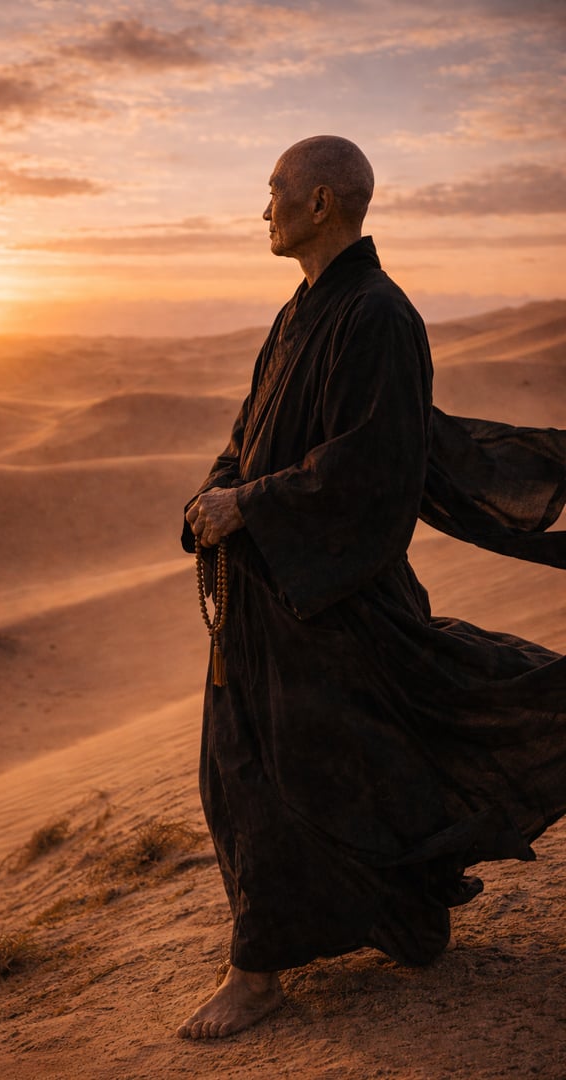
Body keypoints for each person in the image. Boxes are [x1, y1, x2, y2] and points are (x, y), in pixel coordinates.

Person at [177, 135, 566, 1040]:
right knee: (271, 772)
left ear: (321, 204)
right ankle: (405, 917)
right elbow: (251, 432)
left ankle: (257, 974)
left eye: (274, 190)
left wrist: (252, 506)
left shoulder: (380, 316)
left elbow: (374, 469)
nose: (261, 207)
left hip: (335, 604)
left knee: (292, 777)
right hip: (266, 598)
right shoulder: (300, 311)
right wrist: (213, 497)